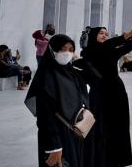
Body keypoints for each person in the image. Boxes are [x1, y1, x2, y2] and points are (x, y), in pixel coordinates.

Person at [83, 19, 132, 166]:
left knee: (117, 125)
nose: (105, 35)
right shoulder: (89, 51)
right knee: (97, 126)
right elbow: (113, 43)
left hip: (116, 92)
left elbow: (127, 46)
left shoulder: (109, 49)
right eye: (101, 33)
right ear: (93, 35)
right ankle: (97, 158)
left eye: (106, 33)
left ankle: (115, 159)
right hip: (98, 94)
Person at [24, 34, 90, 167]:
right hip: (56, 136)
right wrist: (54, 146)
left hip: (73, 131)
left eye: (71, 50)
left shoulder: (70, 72)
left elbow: (92, 77)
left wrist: (77, 59)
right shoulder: (46, 76)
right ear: (52, 50)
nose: (67, 53)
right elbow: (44, 115)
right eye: (63, 49)